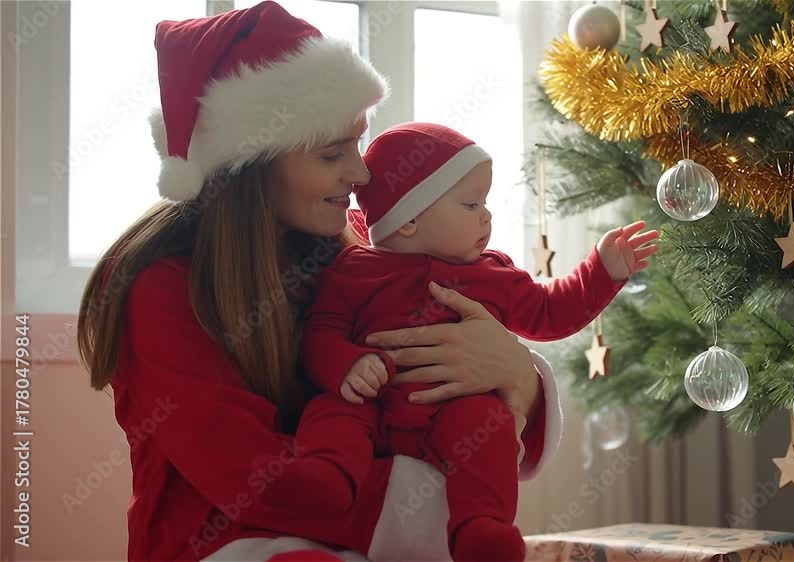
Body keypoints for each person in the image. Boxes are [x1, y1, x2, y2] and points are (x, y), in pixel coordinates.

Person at [75, 3, 563, 561]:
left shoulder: (350, 251)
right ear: (252, 166)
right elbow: (256, 481)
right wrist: (433, 511)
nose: (360, 174)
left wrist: (517, 377)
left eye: (358, 144)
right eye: (332, 154)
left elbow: (441, 399)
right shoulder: (159, 288)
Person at [299, 123, 658, 562]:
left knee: (489, 426)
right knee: (330, 411)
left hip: (452, 409)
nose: (486, 216)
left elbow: (548, 312)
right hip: (369, 402)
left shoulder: (491, 274)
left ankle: (480, 528)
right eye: (471, 204)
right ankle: (326, 479)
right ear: (408, 220)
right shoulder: (352, 269)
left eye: (484, 202)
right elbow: (320, 334)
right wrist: (346, 365)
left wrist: (602, 271)